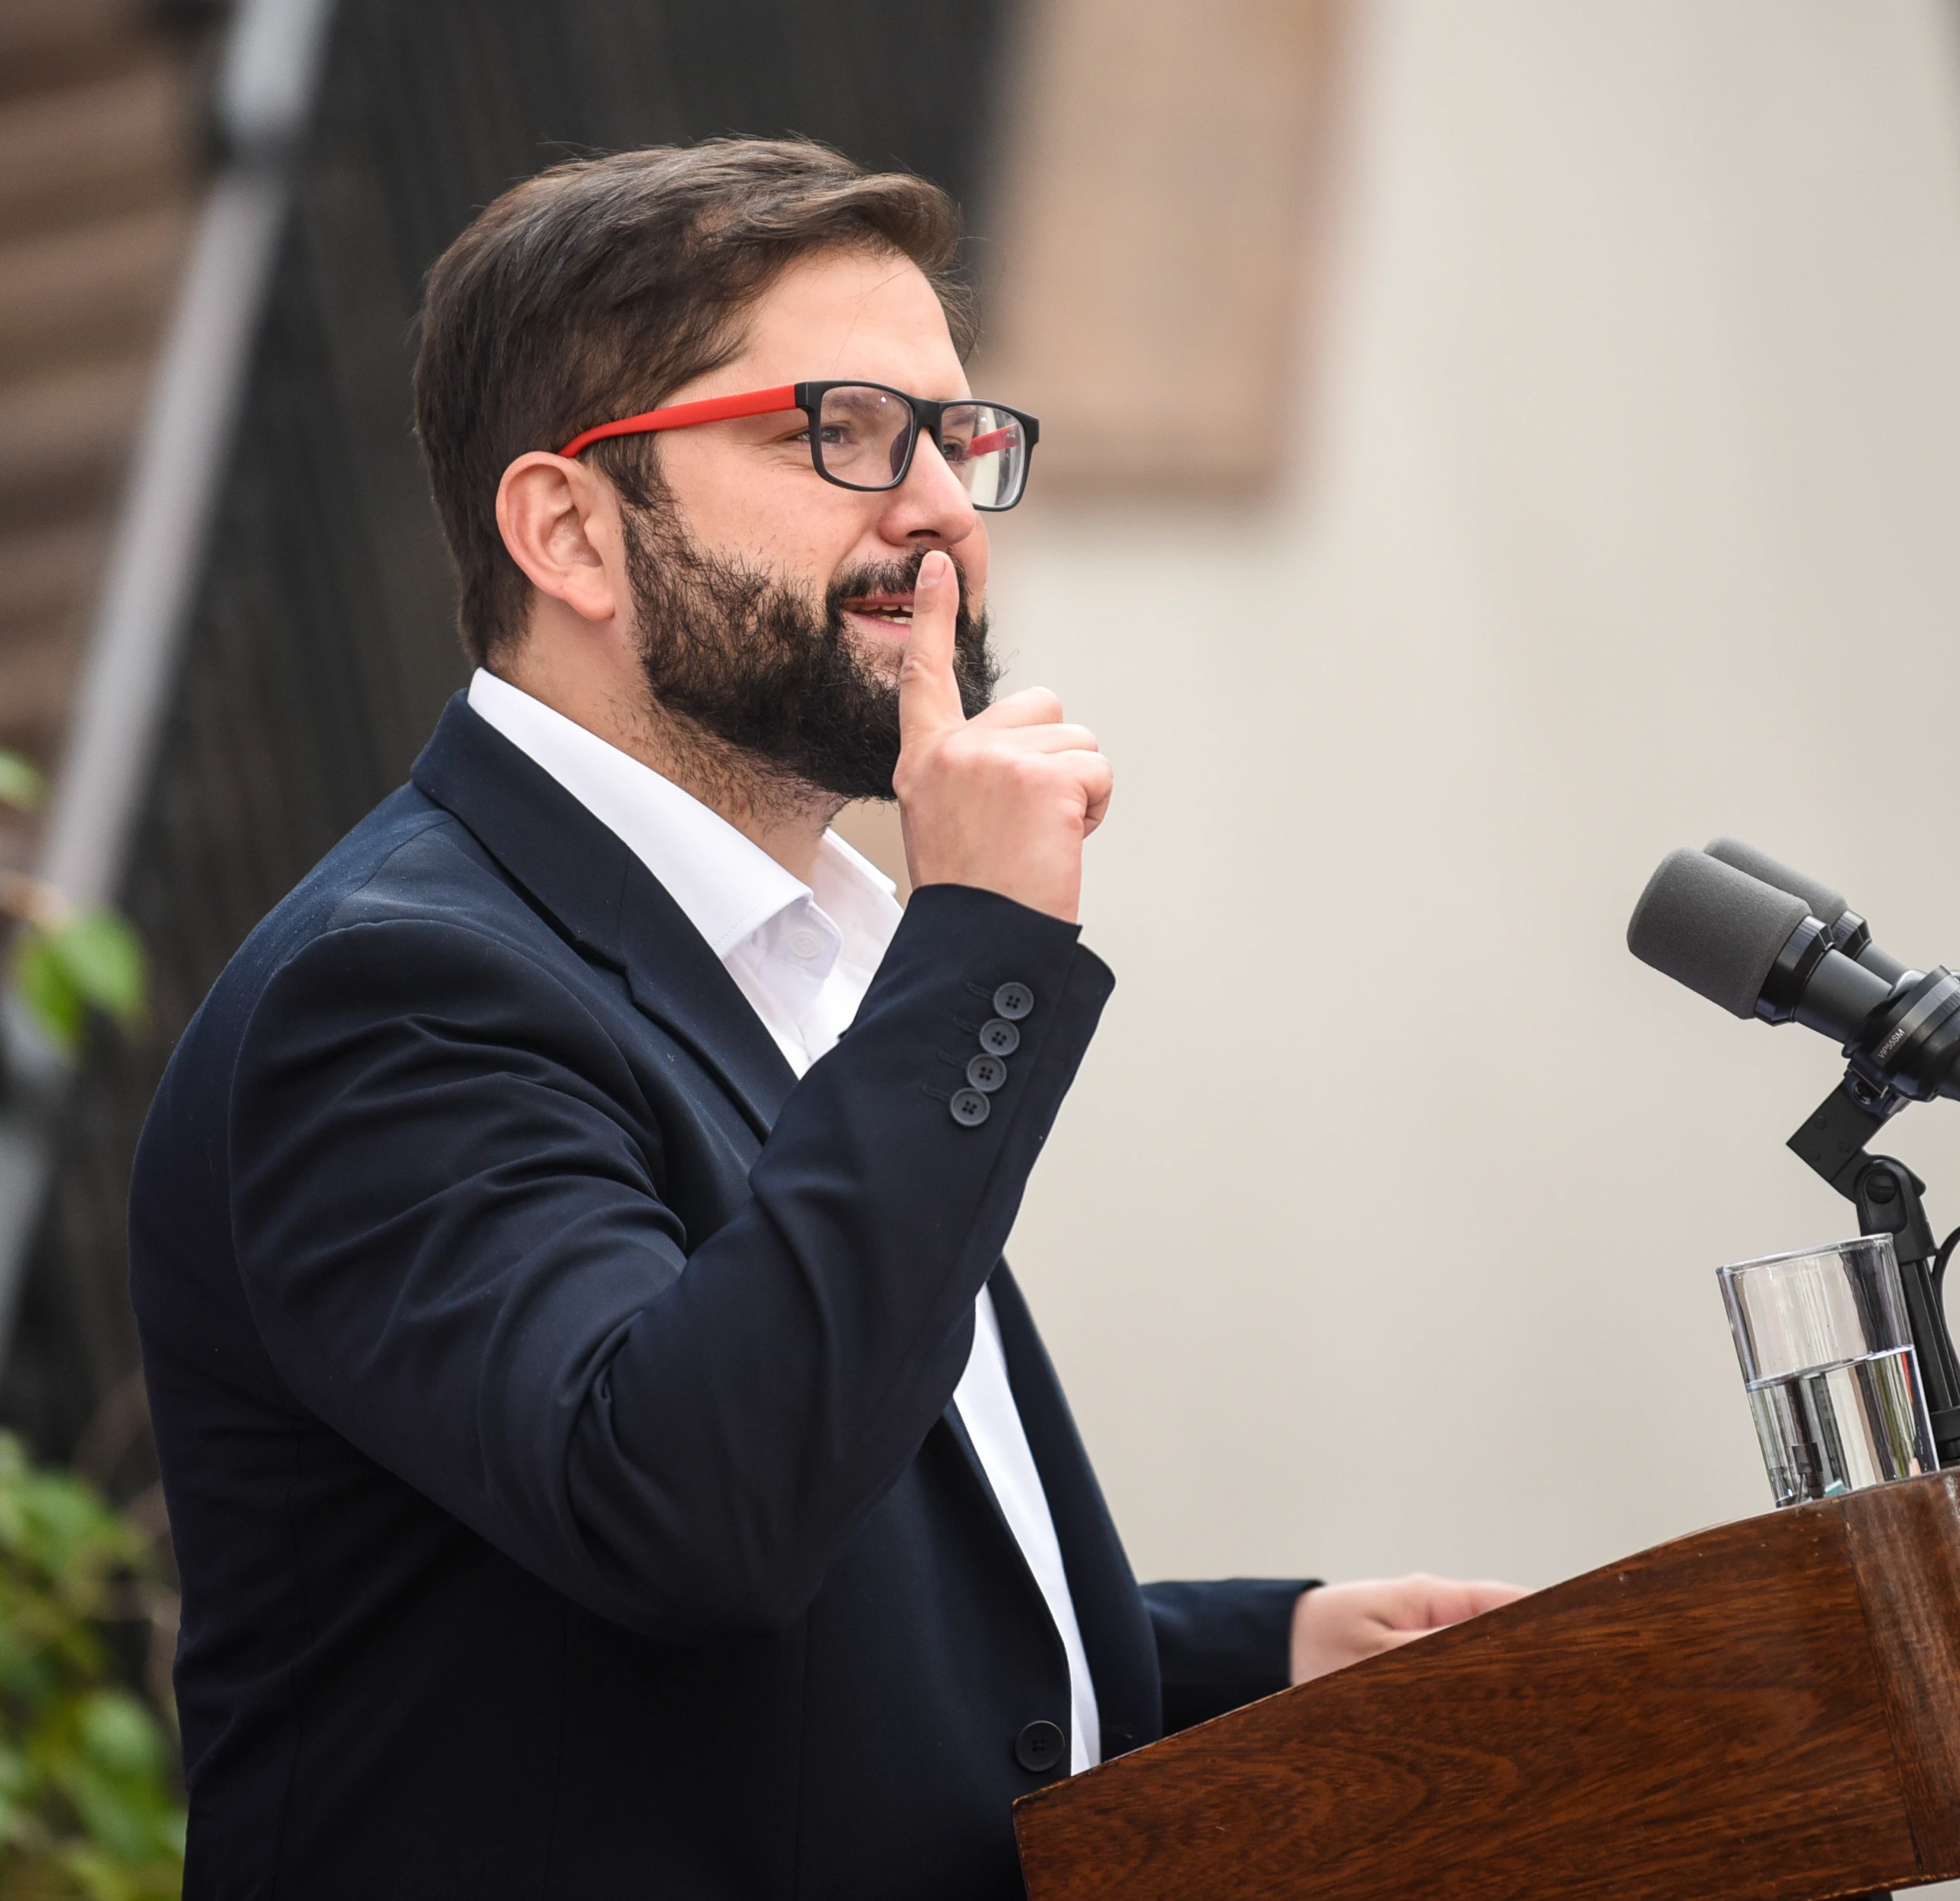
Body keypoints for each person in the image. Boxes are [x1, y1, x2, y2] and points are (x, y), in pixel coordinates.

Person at [129, 139, 1519, 1899]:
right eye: (839, 433)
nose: (938, 506)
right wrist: (984, 947)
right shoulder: (397, 992)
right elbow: (692, 1509)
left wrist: (1259, 1654)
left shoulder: (792, 956)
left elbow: (799, 1631)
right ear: (571, 528)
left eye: (960, 440)